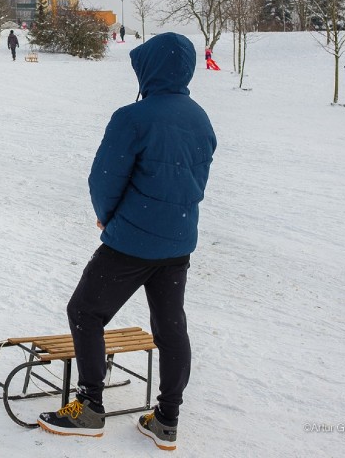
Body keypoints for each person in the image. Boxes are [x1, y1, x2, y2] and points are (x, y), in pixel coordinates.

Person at [37, 32, 217, 452]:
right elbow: (198, 181)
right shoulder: (200, 118)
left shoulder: (132, 117)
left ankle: (90, 407)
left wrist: (107, 216)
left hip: (132, 240)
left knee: (84, 311)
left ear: (150, 68)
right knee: (170, 327)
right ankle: (166, 420)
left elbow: (105, 178)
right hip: (178, 242)